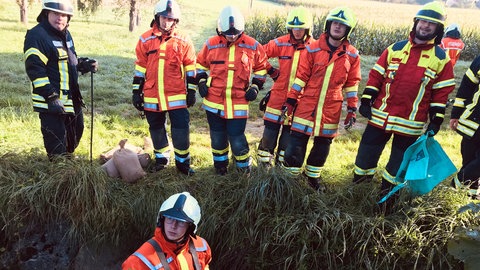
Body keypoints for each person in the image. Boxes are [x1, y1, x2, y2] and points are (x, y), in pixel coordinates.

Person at [352, 2, 455, 209]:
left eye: (431, 24)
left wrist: (436, 120)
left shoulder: (441, 59)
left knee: (397, 166)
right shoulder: (395, 49)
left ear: (438, 29)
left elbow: (440, 94)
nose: (425, 26)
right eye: (423, 21)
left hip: (410, 123)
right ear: (416, 22)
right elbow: (375, 77)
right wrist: (366, 100)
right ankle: (357, 192)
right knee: (365, 158)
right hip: (380, 117)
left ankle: (385, 202)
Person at [281, 7, 361, 190]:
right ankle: (289, 181)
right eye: (335, 23)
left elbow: (351, 84)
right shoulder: (313, 48)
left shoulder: (353, 55)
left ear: (348, 29)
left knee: (323, 145)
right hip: (307, 104)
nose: (337, 27)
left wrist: (352, 109)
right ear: (328, 24)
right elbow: (300, 77)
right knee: (296, 142)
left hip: (331, 107)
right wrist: (291, 101)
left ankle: (311, 179)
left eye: (342, 25)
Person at [196, 5, 268, 175]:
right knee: (218, 139)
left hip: (238, 102)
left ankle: (244, 170)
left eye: (236, 33)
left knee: (237, 139)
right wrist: (201, 82)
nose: (232, 36)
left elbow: (261, 68)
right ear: (220, 30)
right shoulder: (211, 44)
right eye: (228, 34)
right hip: (213, 102)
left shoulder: (253, 45)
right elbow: (199, 65)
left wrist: (256, 87)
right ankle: (220, 168)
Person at [23, 0, 97, 161]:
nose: (60, 18)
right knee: (56, 142)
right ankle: (59, 174)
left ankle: (67, 162)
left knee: (76, 132)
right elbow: (35, 69)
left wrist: (83, 65)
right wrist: (51, 97)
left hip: (71, 99)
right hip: (50, 101)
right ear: (46, 14)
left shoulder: (65, 33)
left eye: (64, 15)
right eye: (55, 13)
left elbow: (69, 60)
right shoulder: (37, 35)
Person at [132, 0, 197, 175]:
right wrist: (136, 92)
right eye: (163, 17)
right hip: (152, 94)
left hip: (176, 94)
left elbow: (190, 65)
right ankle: (162, 160)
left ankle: (183, 164)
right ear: (157, 17)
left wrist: (191, 90)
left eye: (170, 19)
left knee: (181, 129)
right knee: (156, 127)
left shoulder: (183, 39)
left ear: (175, 21)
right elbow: (140, 66)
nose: (166, 22)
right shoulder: (145, 39)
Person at [257, 7, 316, 167]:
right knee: (269, 134)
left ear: (308, 28)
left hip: (299, 101)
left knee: (288, 139)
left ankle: (280, 173)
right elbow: (258, 53)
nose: (296, 31)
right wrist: (271, 71)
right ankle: (262, 170)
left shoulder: (315, 48)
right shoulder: (281, 42)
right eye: (294, 27)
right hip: (277, 97)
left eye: (300, 27)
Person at [122, 192, 212, 269]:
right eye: (169, 218)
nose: (173, 226)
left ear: (190, 227)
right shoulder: (139, 261)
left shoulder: (202, 246)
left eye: (181, 222)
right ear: (162, 220)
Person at [449, 55, 480, 199]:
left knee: (475, 167)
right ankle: (467, 201)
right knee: (468, 163)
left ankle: (453, 190)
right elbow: (467, 86)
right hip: (472, 123)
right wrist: (456, 113)